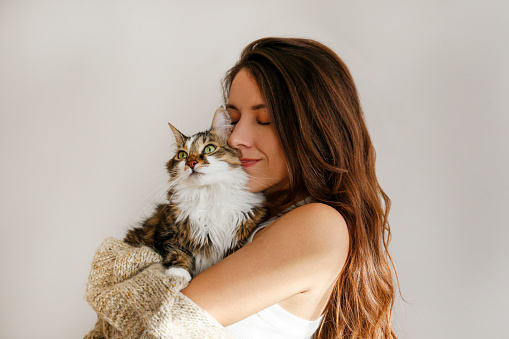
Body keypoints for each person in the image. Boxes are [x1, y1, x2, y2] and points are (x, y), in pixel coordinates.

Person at [85, 37, 398, 339]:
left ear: (315, 129)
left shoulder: (318, 224)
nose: (234, 139)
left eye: (264, 120)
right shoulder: (257, 223)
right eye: (233, 120)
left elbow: (163, 325)